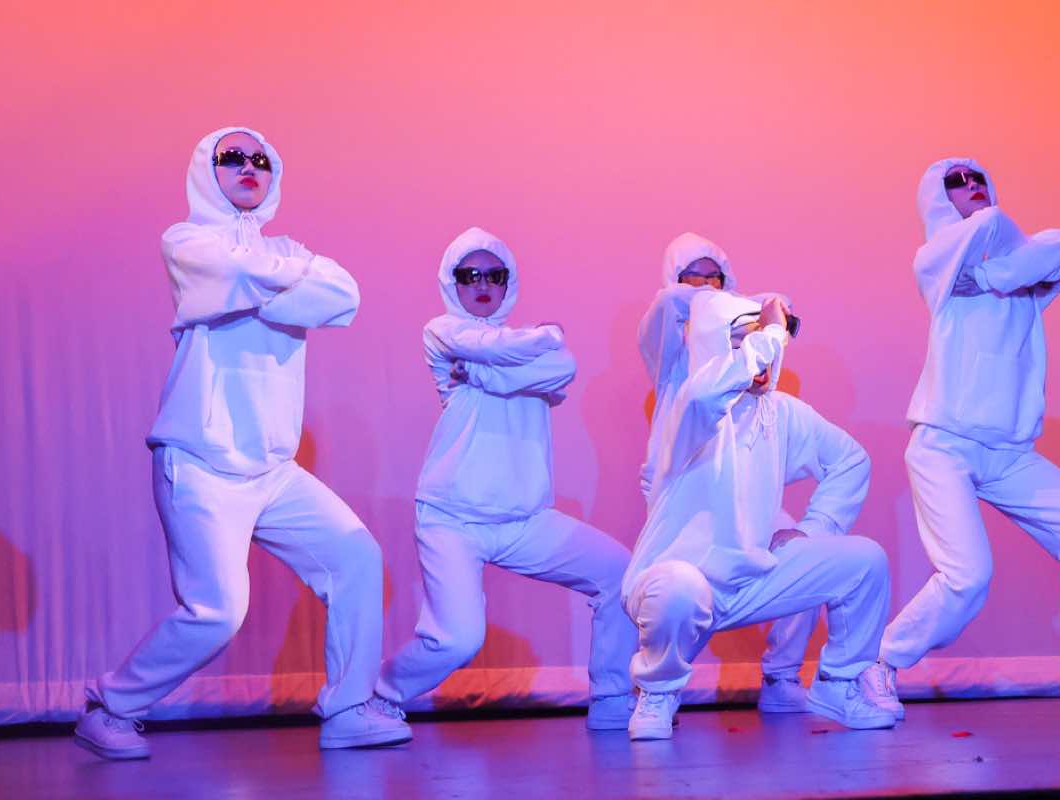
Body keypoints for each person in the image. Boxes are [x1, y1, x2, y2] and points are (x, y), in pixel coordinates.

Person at [75, 127, 409, 759]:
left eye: (261, 159)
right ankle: (111, 706)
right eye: (232, 157)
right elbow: (236, 273)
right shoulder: (186, 240)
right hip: (201, 459)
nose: (248, 167)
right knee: (217, 614)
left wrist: (259, 286)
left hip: (273, 467)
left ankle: (348, 709)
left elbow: (344, 296)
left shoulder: (285, 247)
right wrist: (291, 286)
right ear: (208, 169)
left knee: (356, 557)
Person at [876, 158, 1060, 714]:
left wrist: (989, 277)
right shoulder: (937, 263)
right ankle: (872, 666)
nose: (972, 187)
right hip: (944, 445)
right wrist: (1002, 266)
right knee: (968, 576)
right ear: (936, 200)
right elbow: (993, 227)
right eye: (956, 183)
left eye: (978, 179)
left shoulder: (1014, 278)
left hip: (1010, 452)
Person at [374, 228, 640, 730]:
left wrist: (479, 375)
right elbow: (501, 350)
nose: (481, 284)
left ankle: (611, 698)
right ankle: (378, 695)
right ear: (451, 282)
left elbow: (564, 367)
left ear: (508, 282)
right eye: (469, 274)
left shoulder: (515, 351)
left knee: (619, 574)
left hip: (525, 519)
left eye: (494, 275)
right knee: (457, 639)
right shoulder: (442, 331)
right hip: (452, 519)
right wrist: (545, 338)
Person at [623, 288, 898, 739]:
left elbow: (851, 461)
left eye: (762, 338)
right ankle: (657, 693)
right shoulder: (689, 405)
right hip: (682, 579)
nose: (760, 352)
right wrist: (770, 331)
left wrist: (811, 530)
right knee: (679, 588)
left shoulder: (781, 411)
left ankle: (838, 683)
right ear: (712, 343)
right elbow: (711, 392)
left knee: (866, 561)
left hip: (752, 578)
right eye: (739, 339)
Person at [636, 233, 820, 714]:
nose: (702, 287)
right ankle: (658, 691)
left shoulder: (738, 338)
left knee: (803, 557)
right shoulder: (670, 348)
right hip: (683, 487)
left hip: (742, 485)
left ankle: (782, 676)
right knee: (682, 593)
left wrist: (758, 319)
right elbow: (667, 307)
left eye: (712, 278)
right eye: (690, 278)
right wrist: (753, 311)